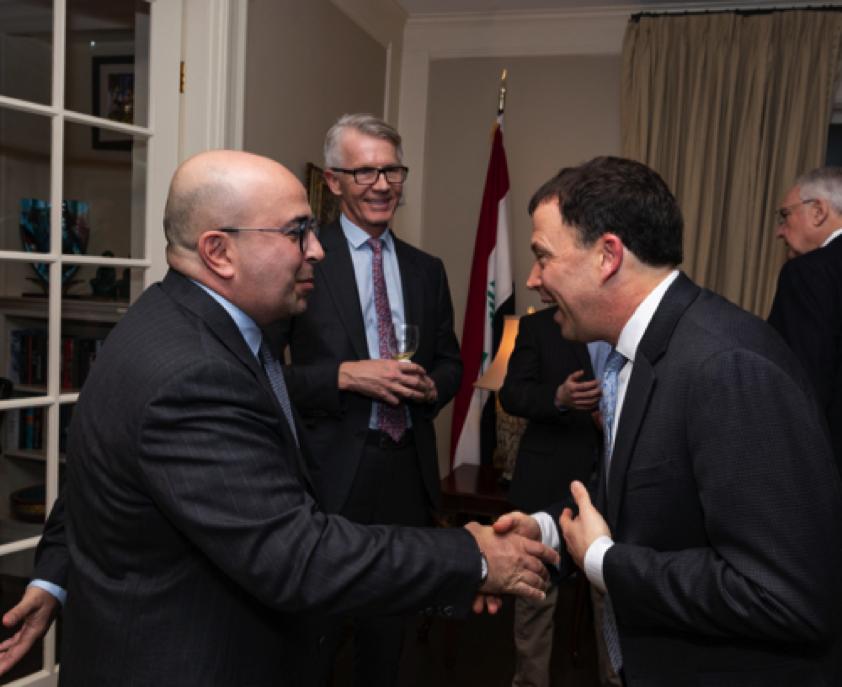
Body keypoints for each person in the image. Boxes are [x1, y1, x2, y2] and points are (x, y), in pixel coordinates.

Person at [0, 150, 559, 685]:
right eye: (296, 233)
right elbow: (296, 556)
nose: (316, 250)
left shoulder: (165, 318)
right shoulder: (192, 372)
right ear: (219, 252)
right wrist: (476, 557)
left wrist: (54, 573)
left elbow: (99, 467)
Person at [492, 156, 842, 686]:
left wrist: (605, 564)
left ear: (607, 256)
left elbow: (783, 594)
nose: (534, 277)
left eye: (544, 256)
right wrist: (546, 530)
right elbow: (638, 497)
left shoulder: (728, 366)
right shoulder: (635, 353)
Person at [265, 114, 461, 686]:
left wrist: (433, 388)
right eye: (365, 171)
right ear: (333, 180)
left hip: (406, 470)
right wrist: (345, 377)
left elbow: (451, 361)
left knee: (386, 635)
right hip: (326, 471)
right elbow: (262, 375)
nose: (382, 184)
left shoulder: (427, 270)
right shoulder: (298, 257)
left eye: (392, 170)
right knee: (313, 634)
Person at [498, 301, 612, 687]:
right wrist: (558, 399)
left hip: (614, 485)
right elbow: (512, 393)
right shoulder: (538, 327)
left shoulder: (624, 324)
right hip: (549, 481)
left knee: (610, 600)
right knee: (535, 597)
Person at [768, 166, 842, 470]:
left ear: (819, 211)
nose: (780, 231)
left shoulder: (809, 273)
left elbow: (804, 383)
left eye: (785, 215)